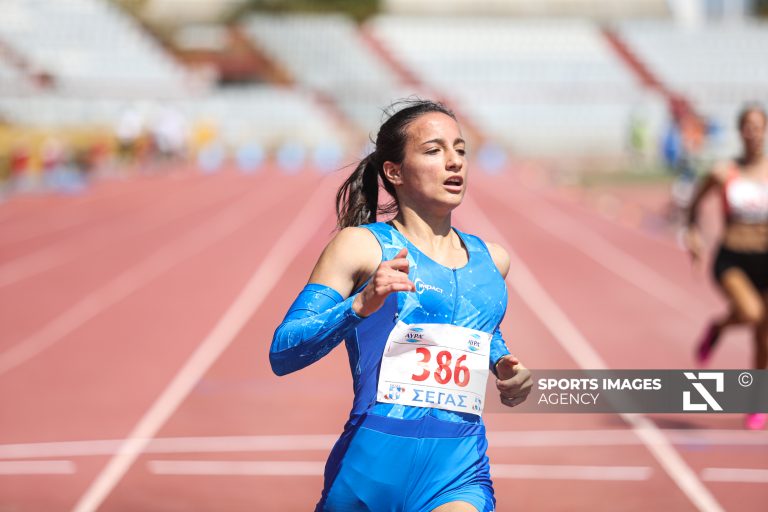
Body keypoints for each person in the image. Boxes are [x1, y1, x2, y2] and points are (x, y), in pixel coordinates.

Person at [270, 99, 533, 511]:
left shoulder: (492, 259)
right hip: (370, 468)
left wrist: (504, 364)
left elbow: (477, 328)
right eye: (434, 150)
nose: (454, 162)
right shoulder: (361, 246)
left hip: (457, 468)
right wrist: (360, 305)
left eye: (460, 150)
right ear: (393, 172)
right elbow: (284, 351)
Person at [685, 102, 768, 430]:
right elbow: (694, 203)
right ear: (740, 131)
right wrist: (693, 234)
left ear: (765, 131)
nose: (753, 133)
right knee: (751, 313)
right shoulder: (723, 172)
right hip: (733, 258)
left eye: (758, 126)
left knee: (764, 338)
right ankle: (718, 328)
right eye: (748, 126)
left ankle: (757, 403)